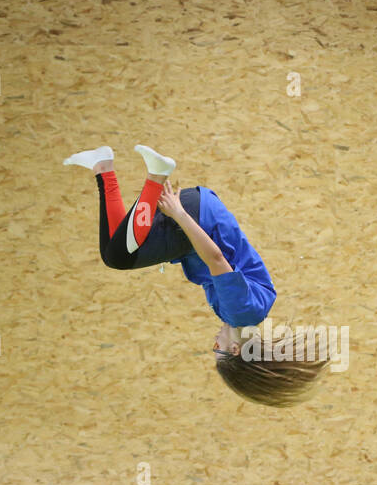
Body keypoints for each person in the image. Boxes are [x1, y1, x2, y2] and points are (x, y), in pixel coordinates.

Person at [66, 144, 327, 407]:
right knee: (118, 256)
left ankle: (102, 166)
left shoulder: (249, 313)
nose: (214, 342)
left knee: (117, 247)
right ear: (235, 350)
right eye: (218, 349)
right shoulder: (241, 312)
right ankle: (156, 174)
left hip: (202, 215)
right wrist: (178, 213)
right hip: (197, 217)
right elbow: (215, 258)